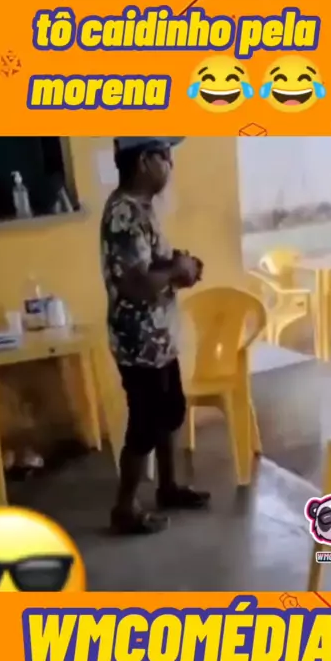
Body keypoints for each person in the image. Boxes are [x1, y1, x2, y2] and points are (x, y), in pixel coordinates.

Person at [100, 136, 210, 534]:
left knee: (170, 411)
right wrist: (177, 271)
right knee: (145, 423)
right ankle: (124, 508)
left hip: (159, 338)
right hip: (139, 342)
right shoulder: (124, 214)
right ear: (144, 161)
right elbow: (136, 284)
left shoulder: (142, 208)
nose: (170, 165)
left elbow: (152, 267)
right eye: (165, 156)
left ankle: (169, 486)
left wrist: (181, 266)